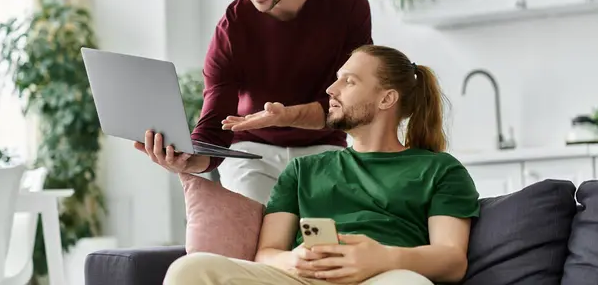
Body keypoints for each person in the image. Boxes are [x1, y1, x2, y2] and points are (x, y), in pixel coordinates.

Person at [162, 44, 481, 285]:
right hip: (304, 278)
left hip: (385, 275)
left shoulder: (440, 170)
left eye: (349, 81)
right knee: (190, 270)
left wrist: (382, 257)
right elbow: (267, 253)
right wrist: (294, 260)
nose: (331, 89)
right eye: (336, 79)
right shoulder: (303, 171)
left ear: (386, 99)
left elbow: (452, 259)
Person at [133, 0, 373, 204]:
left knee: (322, 238)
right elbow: (216, 119)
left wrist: (285, 116)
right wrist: (190, 159)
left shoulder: (347, 7)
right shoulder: (232, 27)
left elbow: (350, 104)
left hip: (324, 149)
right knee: (256, 234)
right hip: (250, 152)